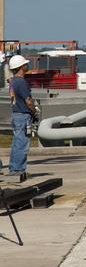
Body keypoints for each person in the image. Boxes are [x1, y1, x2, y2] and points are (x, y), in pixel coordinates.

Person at [8, 54, 38, 182]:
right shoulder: (21, 82)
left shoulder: (13, 81)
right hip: (23, 115)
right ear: (21, 67)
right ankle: (18, 169)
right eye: (25, 64)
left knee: (16, 143)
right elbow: (28, 101)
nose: (27, 66)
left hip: (16, 114)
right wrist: (34, 111)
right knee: (22, 144)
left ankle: (14, 168)